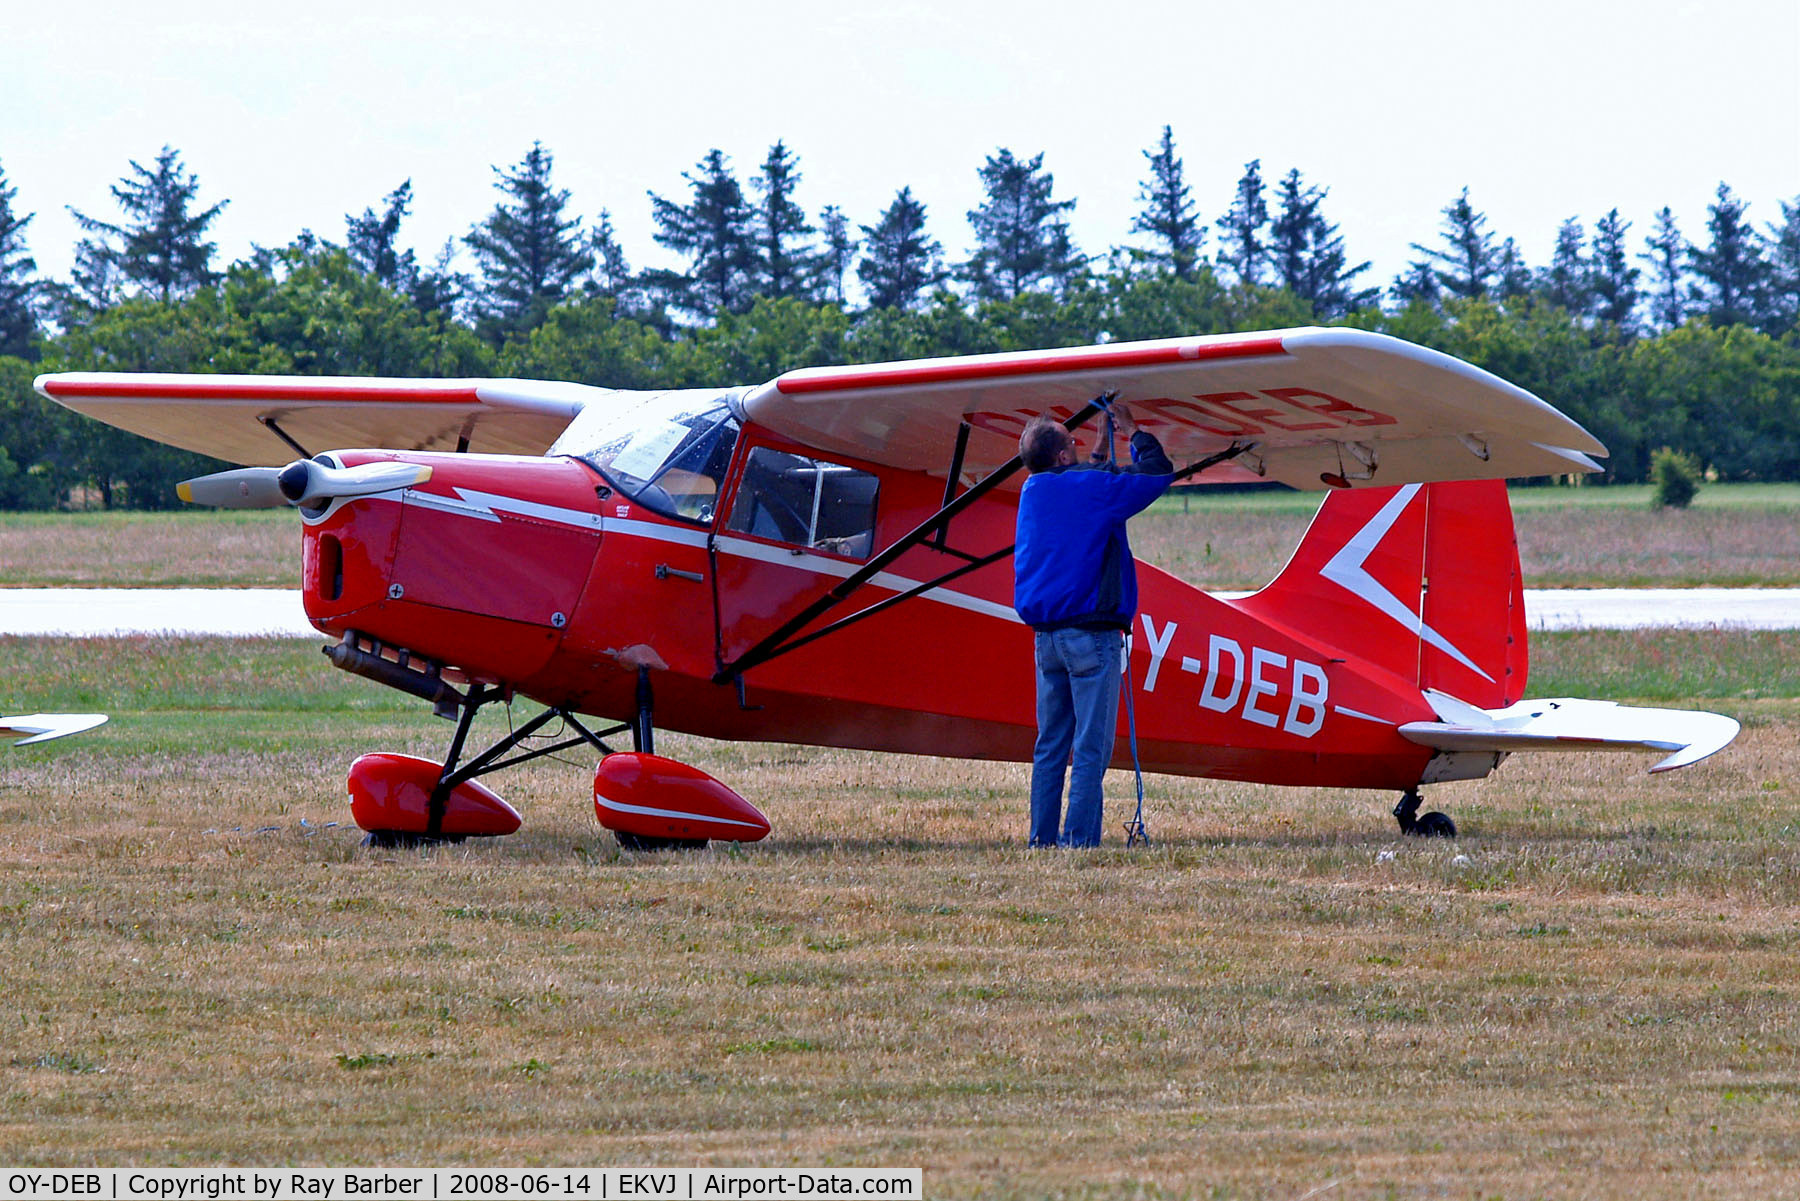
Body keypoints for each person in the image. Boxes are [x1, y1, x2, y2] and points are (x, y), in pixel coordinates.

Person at [1013, 405, 1174, 847]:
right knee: (1089, 748)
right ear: (1064, 457)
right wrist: (1134, 430)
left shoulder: (1033, 490)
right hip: (1092, 637)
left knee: (1050, 746)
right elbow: (1158, 473)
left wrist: (1099, 453)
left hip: (1045, 639)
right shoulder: (1089, 488)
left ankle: (1042, 840)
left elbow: (1083, 488)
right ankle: (1079, 841)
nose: (1079, 448)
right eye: (1072, 444)